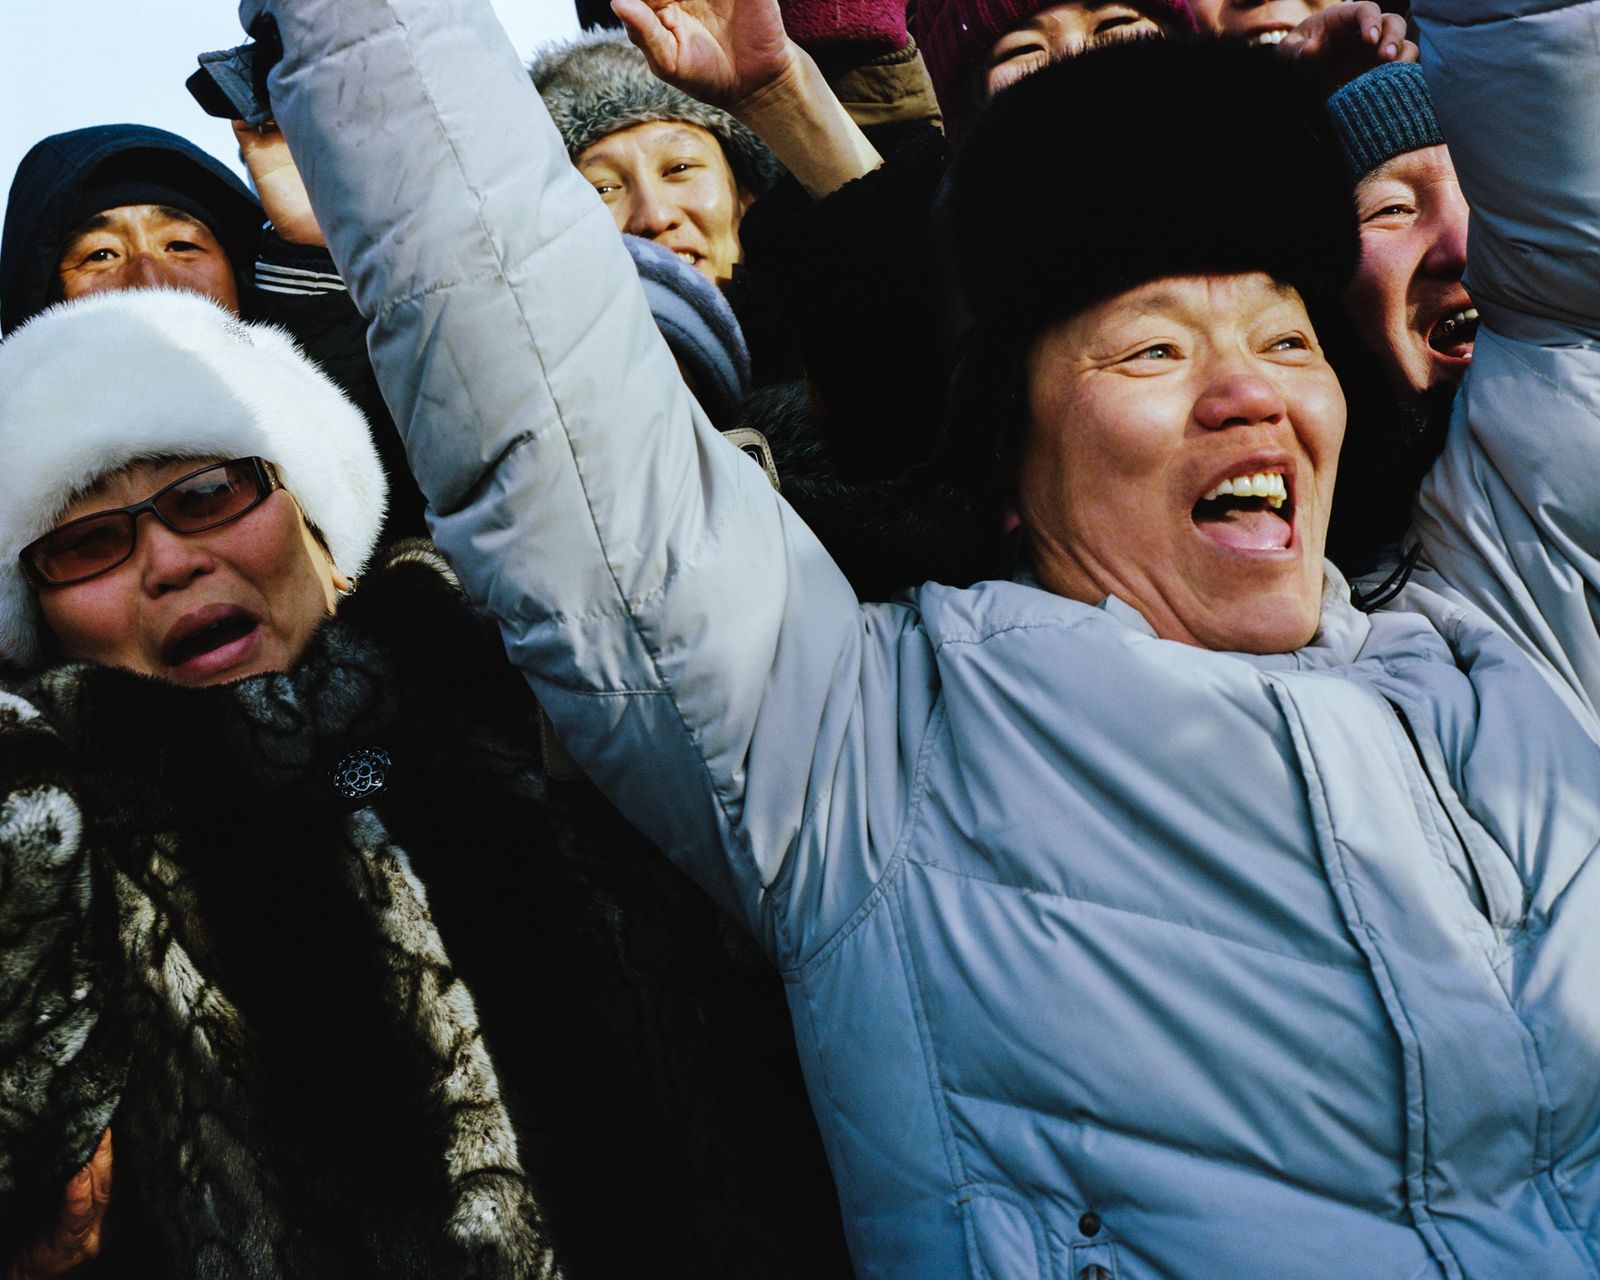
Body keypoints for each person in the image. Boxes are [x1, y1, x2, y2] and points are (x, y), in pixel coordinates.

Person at [253, 0, 1600, 1275]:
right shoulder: (859, 745)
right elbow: (521, 353)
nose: (1249, 389)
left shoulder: (1507, 636)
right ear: (1012, 457)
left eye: (1287, 339)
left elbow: (1572, 245)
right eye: (1152, 352)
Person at [0, 287, 851, 1278]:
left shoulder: (542, 689)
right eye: (88, 542)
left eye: (208, 493)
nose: (172, 559)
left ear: (318, 524)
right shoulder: (49, 876)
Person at [0, 122, 429, 545]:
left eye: (182, 246)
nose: (151, 279)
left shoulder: (395, 406)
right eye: (101, 255)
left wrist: (307, 248)